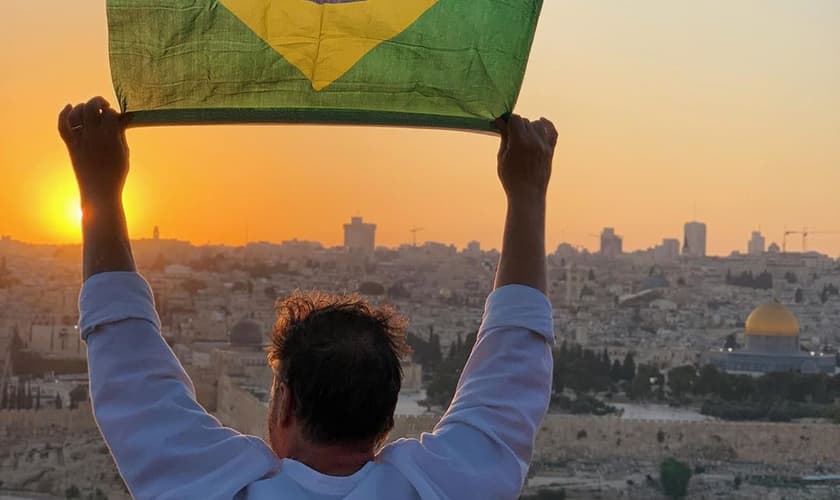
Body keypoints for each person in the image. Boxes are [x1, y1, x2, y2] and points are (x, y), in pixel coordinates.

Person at [58, 97, 557, 500]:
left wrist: (98, 190)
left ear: (285, 403)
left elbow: (129, 366)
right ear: (386, 421)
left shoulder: (209, 487)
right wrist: (528, 193)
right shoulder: (449, 488)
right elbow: (511, 368)